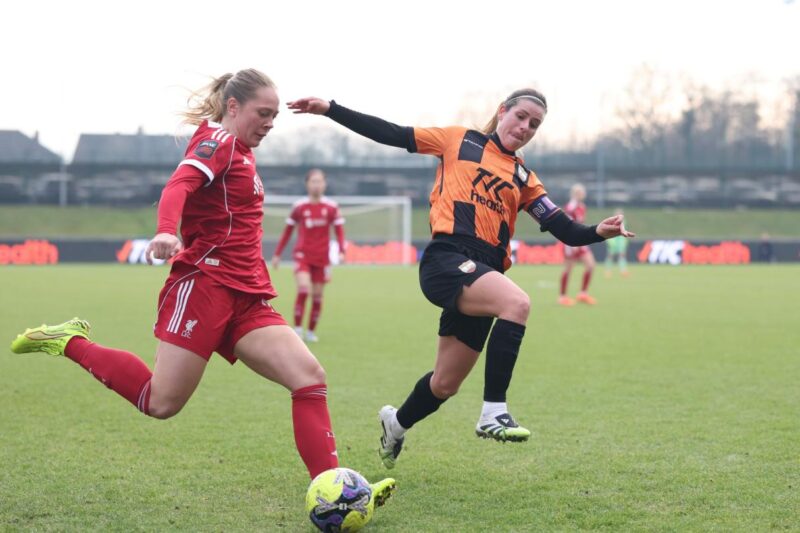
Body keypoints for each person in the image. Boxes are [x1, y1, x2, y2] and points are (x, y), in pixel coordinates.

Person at [9, 69, 394, 505]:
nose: (269, 122)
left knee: (309, 378)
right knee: (161, 402)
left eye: (274, 116)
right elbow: (180, 184)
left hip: (246, 294)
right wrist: (165, 230)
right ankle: (69, 342)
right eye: (262, 113)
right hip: (205, 286)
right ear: (233, 107)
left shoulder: (242, 149)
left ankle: (333, 490)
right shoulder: (219, 142)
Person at [287, 90, 634, 469]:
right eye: (521, 116)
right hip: (447, 259)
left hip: (486, 274)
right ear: (502, 111)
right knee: (517, 303)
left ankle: (396, 424)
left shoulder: (523, 176)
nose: (525, 127)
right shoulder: (459, 140)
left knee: (444, 384)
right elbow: (392, 133)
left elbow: (563, 228)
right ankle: (493, 412)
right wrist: (331, 110)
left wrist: (598, 231)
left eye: (535, 124)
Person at [271, 169, 346, 343]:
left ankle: (311, 332)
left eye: (320, 181)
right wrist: (277, 254)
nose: (317, 185)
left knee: (318, 296)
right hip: (302, 255)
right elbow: (287, 231)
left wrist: (342, 250)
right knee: (304, 289)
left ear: (325, 184)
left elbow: (339, 231)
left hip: (322, 257)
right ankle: (297, 329)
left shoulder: (332, 207)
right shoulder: (299, 207)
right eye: (313, 181)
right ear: (307, 184)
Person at [558, 183, 597, 306]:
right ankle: (562, 297)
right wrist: (570, 244)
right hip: (571, 242)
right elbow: (567, 226)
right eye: (581, 192)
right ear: (576, 194)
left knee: (590, 265)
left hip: (581, 241)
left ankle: (583, 294)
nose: (583, 194)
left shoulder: (582, 206)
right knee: (568, 268)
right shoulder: (570, 207)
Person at [604, 208, 630, 277]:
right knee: (610, 256)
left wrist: (624, 241)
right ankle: (608, 271)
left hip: (620, 241)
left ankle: (623, 271)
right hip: (613, 240)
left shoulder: (624, 221)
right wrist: (609, 240)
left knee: (622, 256)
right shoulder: (611, 221)